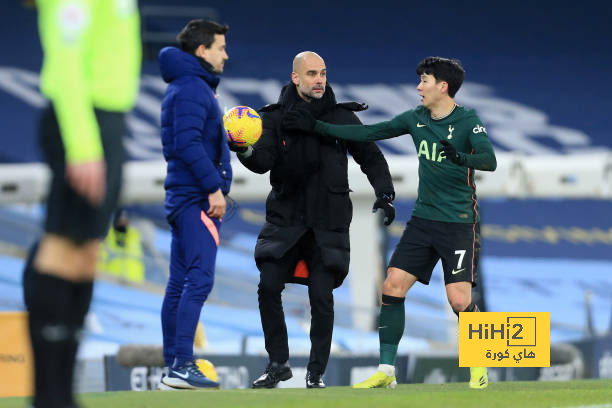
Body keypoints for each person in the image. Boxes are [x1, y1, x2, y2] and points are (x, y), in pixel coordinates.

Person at [283, 56, 496, 389]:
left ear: (443, 86)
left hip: (458, 223)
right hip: (423, 220)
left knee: (458, 300)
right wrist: (317, 127)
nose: (418, 87)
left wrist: (462, 158)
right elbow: (369, 132)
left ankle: (479, 364)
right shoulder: (416, 118)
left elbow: (490, 160)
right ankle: (387, 371)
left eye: (424, 81)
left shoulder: (468, 121)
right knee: (391, 286)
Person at [232, 51, 395, 389]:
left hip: (327, 223)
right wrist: (243, 148)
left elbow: (371, 156)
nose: (319, 79)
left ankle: (316, 373)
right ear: (296, 78)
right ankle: (277, 364)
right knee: (268, 287)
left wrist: (385, 192)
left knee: (322, 297)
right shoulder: (274, 118)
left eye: (323, 73)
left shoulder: (341, 117)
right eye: (311, 74)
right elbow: (262, 162)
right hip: (287, 222)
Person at [22, 1, 141, 407]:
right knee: (61, 249)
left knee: (84, 254)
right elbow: (66, 56)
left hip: (108, 117)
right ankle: (48, 397)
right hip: (83, 118)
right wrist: (82, 143)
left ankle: (62, 394)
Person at [158, 19, 232, 390]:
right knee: (198, 279)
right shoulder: (191, 88)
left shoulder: (187, 86)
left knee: (179, 283)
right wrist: (213, 188)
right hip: (194, 198)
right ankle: (182, 364)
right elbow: (186, 144)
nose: (225, 54)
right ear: (202, 51)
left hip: (182, 196)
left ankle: (173, 363)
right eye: (220, 47)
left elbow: (189, 141)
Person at [97, 209, 145, 284]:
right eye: (121, 218)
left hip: (134, 282)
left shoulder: (134, 235)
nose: (123, 221)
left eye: (126, 218)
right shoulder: (107, 236)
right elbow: (100, 259)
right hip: (110, 281)